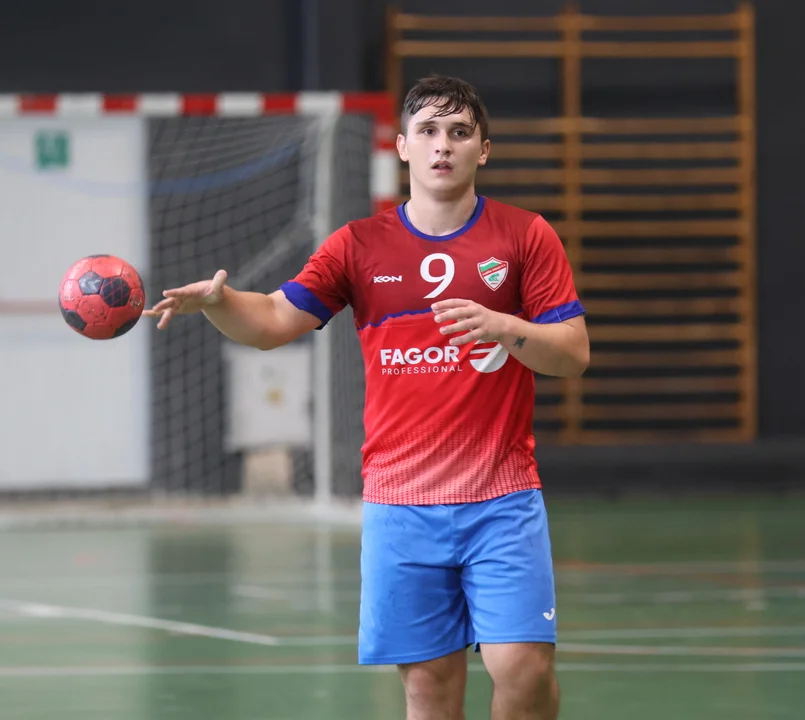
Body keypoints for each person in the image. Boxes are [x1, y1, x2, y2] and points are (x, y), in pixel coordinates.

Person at [145, 75, 589, 720]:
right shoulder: (358, 245)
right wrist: (219, 303)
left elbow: (572, 354)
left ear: (484, 149)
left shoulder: (525, 236)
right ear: (403, 146)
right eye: (428, 131)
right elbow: (272, 321)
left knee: (523, 669)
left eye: (459, 132)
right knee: (429, 688)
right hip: (400, 505)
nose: (443, 145)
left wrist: (506, 327)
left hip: (501, 498)